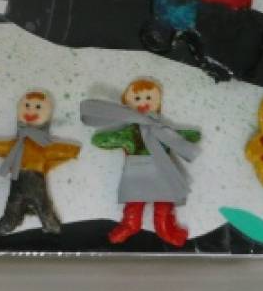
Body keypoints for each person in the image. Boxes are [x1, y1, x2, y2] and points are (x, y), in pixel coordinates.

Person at [81, 78, 201, 247]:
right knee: (134, 205)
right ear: (127, 103)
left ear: (158, 102)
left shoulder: (161, 128)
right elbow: (100, 140)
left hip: (162, 170)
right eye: (137, 98)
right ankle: (130, 225)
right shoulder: (130, 131)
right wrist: (115, 138)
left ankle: (166, 230)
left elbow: (185, 137)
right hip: (137, 173)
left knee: (163, 206)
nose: (143, 103)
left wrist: (188, 135)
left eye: (149, 98)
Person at [0, 90, 81, 237]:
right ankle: (11, 223)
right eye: (27, 105)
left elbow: (57, 149)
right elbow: (1, 147)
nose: (31, 111)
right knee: (21, 205)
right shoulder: (16, 143)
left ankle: (47, 224)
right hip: (18, 181)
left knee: (41, 206)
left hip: (35, 180)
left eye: (38, 107)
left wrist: (72, 151)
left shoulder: (43, 145)